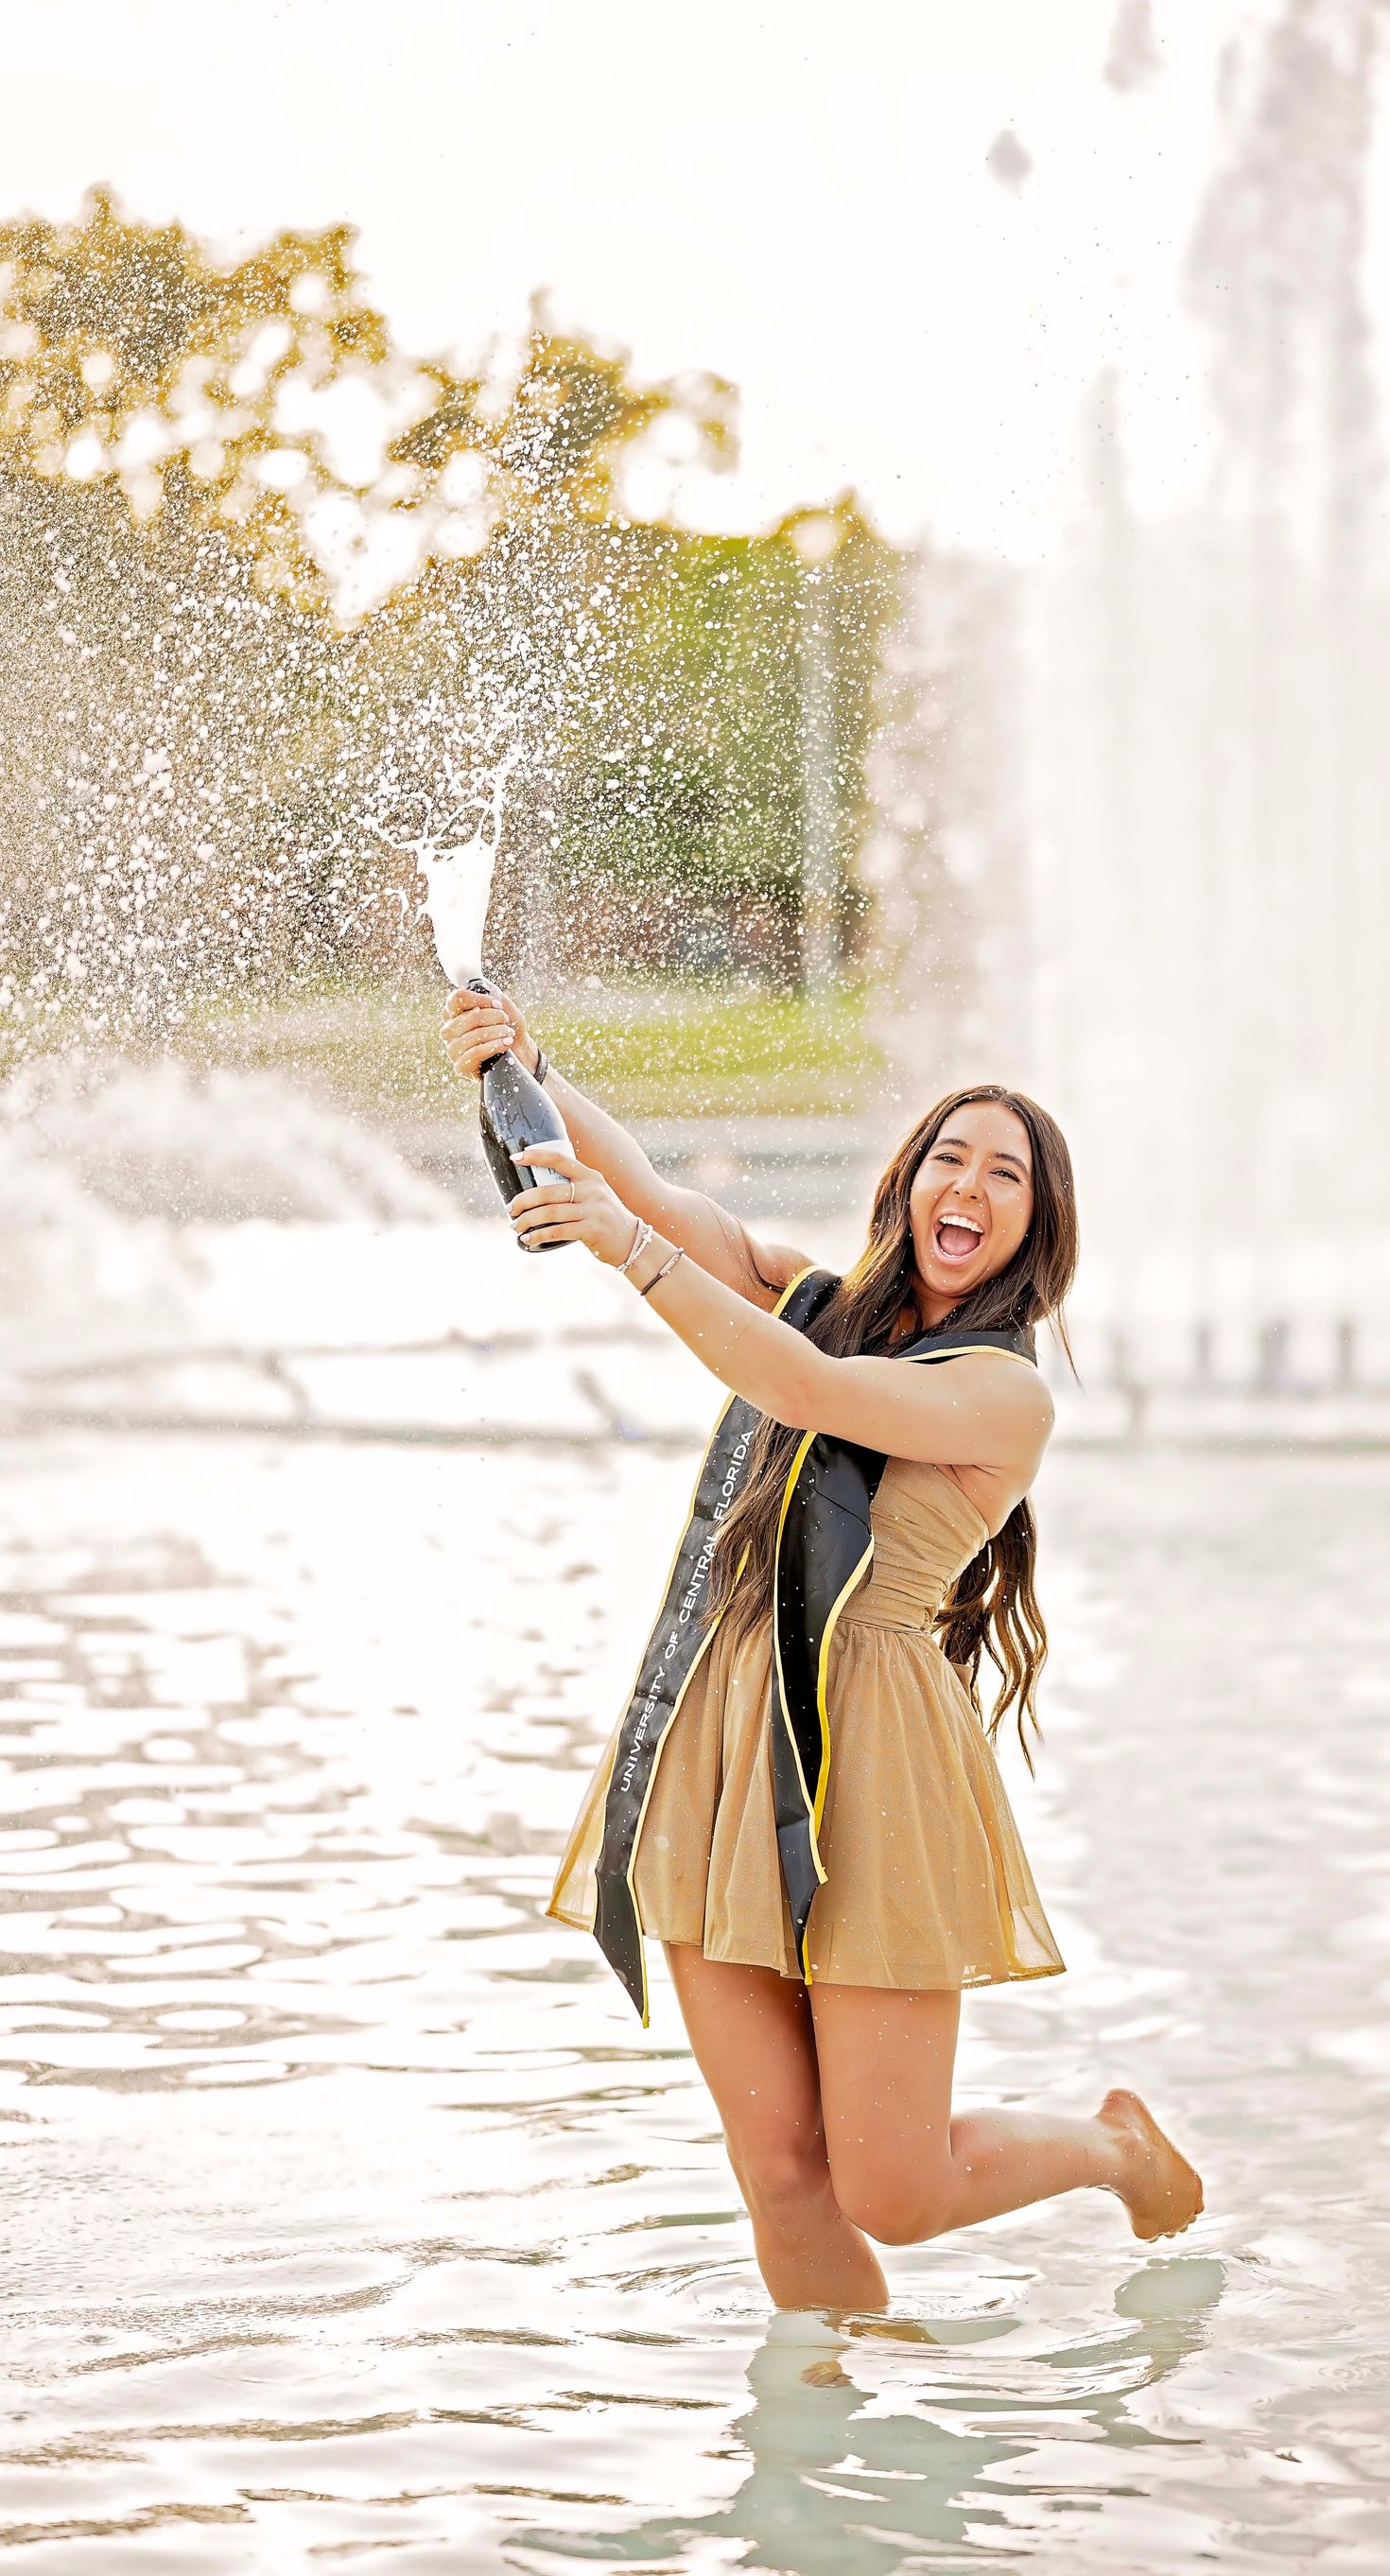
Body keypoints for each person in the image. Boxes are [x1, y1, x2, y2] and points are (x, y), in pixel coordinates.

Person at [443, 986, 1203, 2312]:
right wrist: (526, 1066)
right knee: (781, 2170)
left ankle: (1115, 2148)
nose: (969, 1185)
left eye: (1006, 1173)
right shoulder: (820, 1301)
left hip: (875, 1756)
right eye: (947, 1158)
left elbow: (806, 1394)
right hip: (721, 1732)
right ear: (908, 1186)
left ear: (1038, 1222)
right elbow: (663, 1199)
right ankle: (834, 2483)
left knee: (892, 2193)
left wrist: (628, 1249)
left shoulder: (1000, 1392)